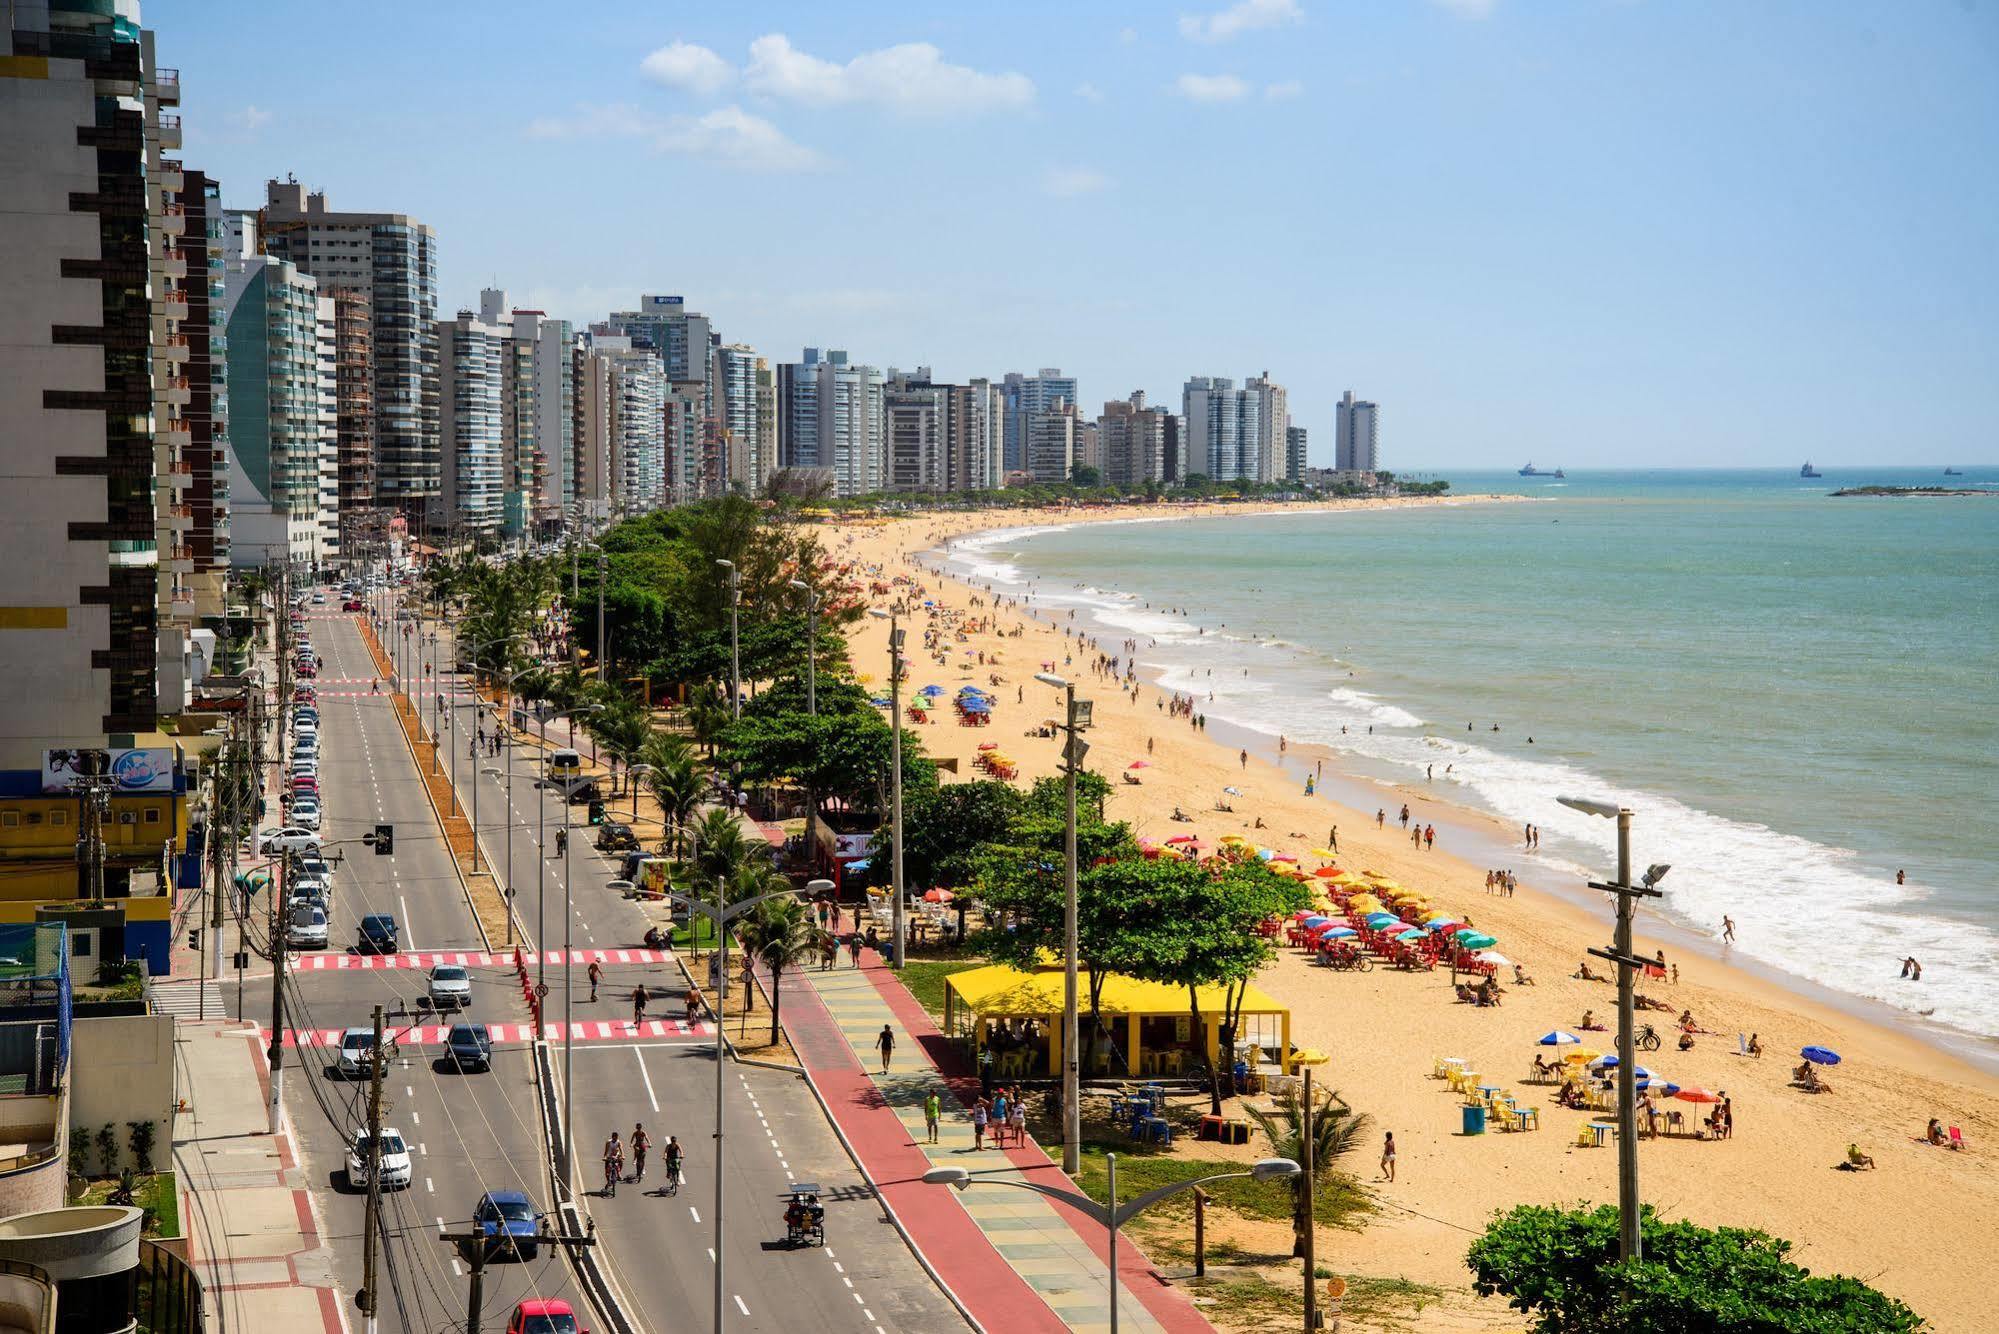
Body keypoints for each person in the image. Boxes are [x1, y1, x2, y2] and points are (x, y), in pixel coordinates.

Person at [602, 1131, 623, 1197]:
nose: (615, 1139)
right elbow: (606, 1151)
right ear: (612, 1137)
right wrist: (604, 1157)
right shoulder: (608, 1142)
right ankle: (608, 1181)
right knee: (607, 1171)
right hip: (609, 1156)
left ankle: (619, 1174)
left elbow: (621, 1150)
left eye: (616, 1138)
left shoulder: (618, 1142)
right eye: (614, 1138)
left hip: (616, 1156)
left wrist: (623, 1156)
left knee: (619, 1163)